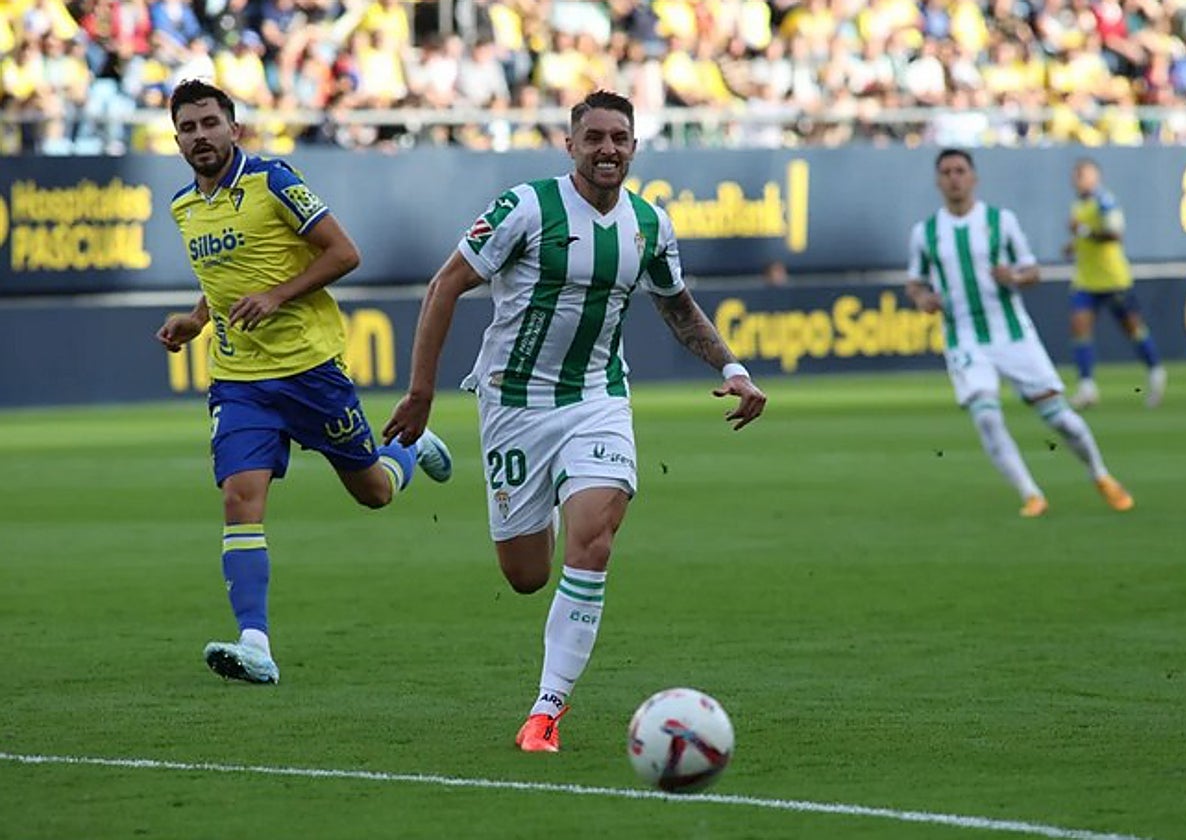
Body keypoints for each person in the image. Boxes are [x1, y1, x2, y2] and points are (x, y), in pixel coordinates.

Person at [382, 90, 767, 752]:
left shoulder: (649, 223)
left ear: (636, 146)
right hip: (514, 404)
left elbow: (677, 308)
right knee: (527, 575)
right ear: (571, 145)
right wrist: (421, 394)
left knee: (595, 539)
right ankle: (459, 468)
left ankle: (545, 711)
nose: (608, 149)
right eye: (595, 138)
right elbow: (444, 285)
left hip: (598, 399)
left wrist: (731, 367)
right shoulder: (526, 209)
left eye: (620, 137)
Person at [156, 79, 453, 685]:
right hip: (239, 380)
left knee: (374, 492)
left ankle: (407, 448)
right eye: (188, 128)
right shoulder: (185, 207)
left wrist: (278, 296)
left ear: (233, 127)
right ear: (177, 138)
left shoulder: (272, 181)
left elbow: (345, 253)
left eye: (209, 123)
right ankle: (255, 644)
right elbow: (224, 280)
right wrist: (195, 319)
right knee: (240, 499)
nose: (200, 136)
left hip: (310, 371)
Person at [905, 148, 1134, 518]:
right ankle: (1031, 494)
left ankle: (1101, 475)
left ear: (974, 177)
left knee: (1060, 419)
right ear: (937, 181)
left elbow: (1032, 272)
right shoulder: (926, 233)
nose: (953, 178)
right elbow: (914, 282)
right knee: (986, 416)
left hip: (1012, 334)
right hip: (964, 337)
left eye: (960, 170)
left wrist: (1013, 276)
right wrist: (922, 298)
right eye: (946, 172)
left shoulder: (1000, 221)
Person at [1062, 157, 1166, 409]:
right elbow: (1085, 237)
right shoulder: (1078, 205)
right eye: (1076, 174)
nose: (1077, 179)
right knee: (1079, 327)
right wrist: (1074, 245)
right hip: (1086, 279)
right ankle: (1087, 386)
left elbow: (1115, 234)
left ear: (1095, 177)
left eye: (1082, 174)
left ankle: (1155, 370)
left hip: (1112, 278)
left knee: (1132, 328)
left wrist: (1084, 232)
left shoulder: (1105, 202)